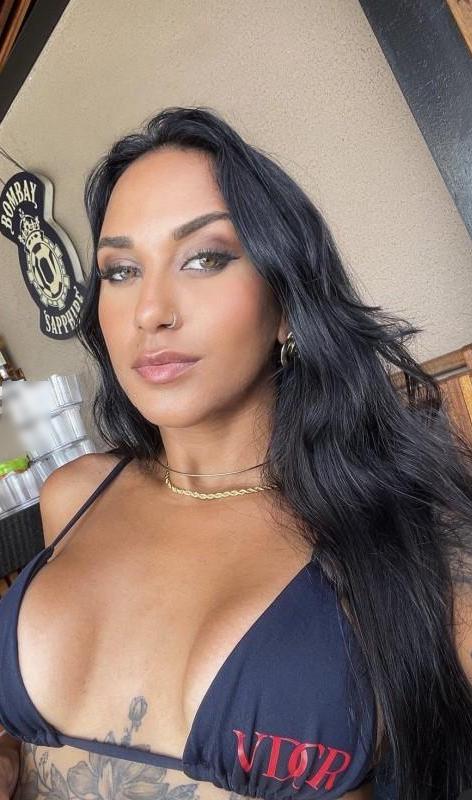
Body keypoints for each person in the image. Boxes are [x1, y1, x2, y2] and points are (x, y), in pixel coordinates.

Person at [1, 106, 472, 800]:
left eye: (204, 258)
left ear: (286, 300)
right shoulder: (72, 497)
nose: (150, 311)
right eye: (121, 270)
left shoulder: (415, 538)